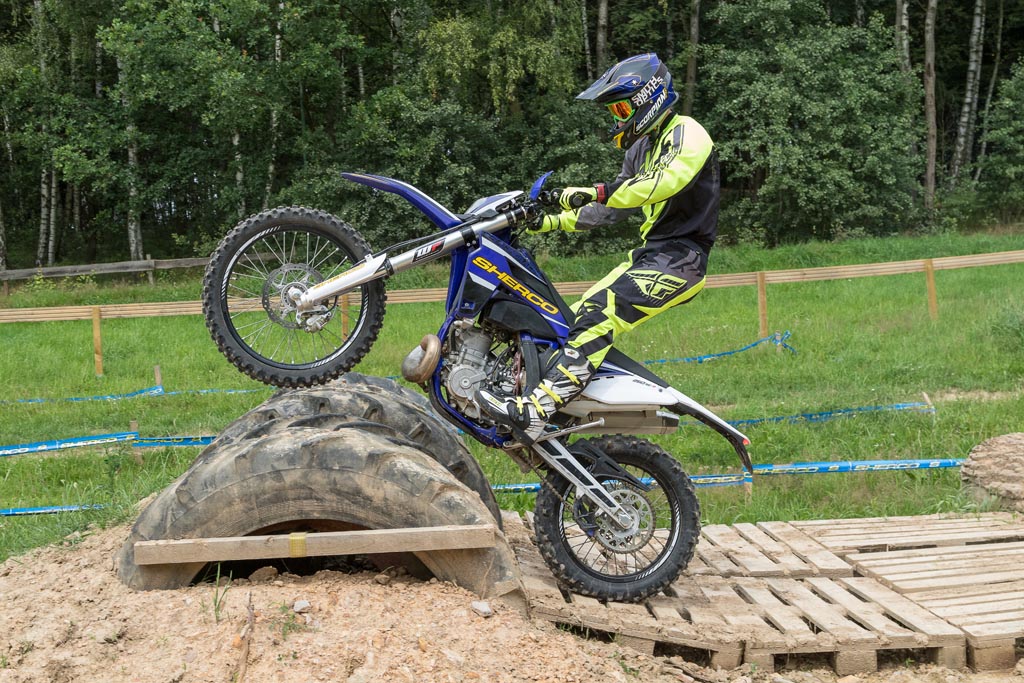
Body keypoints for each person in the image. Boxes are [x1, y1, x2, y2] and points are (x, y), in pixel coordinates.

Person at [476, 53, 719, 445]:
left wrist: (593, 190)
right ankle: (557, 410)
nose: (617, 119)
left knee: (600, 310)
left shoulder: (688, 133)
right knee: (574, 320)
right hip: (652, 254)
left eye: (621, 109)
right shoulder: (639, 149)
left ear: (649, 99)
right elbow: (609, 210)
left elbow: (660, 183)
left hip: (683, 258)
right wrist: (548, 221)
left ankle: (536, 411)